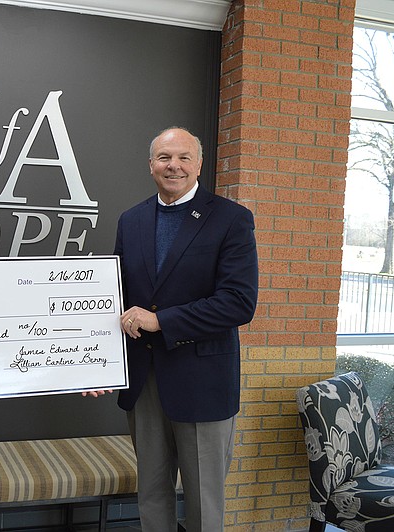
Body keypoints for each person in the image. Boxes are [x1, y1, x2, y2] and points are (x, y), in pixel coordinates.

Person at [107, 127, 258, 531]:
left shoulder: (231, 219)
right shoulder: (131, 220)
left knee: (204, 503)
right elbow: (115, 298)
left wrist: (161, 320)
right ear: (151, 164)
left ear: (199, 164)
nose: (173, 165)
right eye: (164, 157)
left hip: (202, 381)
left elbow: (239, 302)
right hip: (143, 379)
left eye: (183, 157)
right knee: (151, 494)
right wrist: (98, 362)